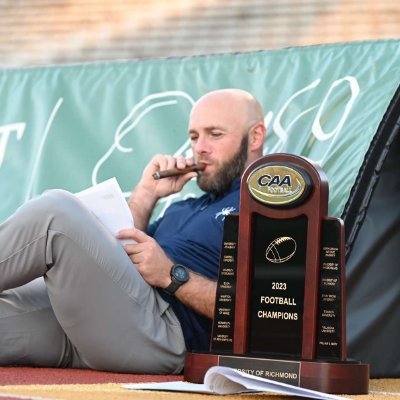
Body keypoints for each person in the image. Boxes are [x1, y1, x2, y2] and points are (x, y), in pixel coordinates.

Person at [0, 88, 266, 374]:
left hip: (163, 335)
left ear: (255, 137)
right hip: (103, 323)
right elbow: (118, 250)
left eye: (215, 134)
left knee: (56, 212)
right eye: (193, 137)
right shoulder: (184, 207)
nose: (200, 147)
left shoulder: (267, 205)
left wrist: (171, 275)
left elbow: (267, 315)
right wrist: (146, 194)